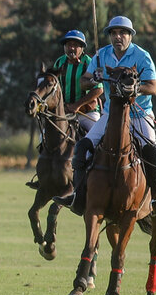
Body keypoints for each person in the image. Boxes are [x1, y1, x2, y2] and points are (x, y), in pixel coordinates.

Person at [54, 15, 156, 219]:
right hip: (111, 114)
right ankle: (78, 196)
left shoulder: (142, 56)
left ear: (130, 36)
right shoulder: (101, 55)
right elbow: (84, 82)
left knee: (152, 150)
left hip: (139, 114)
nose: (118, 37)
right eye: (114, 33)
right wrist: (94, 79)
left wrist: (135, 88)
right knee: (82, 147)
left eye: (123, 33)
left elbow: (153, 87)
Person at [26, 29, 103, 189]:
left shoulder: (90, 62)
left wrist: (77, 105)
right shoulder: (59, 63)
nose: (71, 48)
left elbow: (99, 90)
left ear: (82, 48)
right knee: (44, 137)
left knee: (97, 139)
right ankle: (44, 176)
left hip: (86, 112)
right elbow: (50, 87)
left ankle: (95, 174)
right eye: (68, 45)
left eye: (75, 45)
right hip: (64, 114)